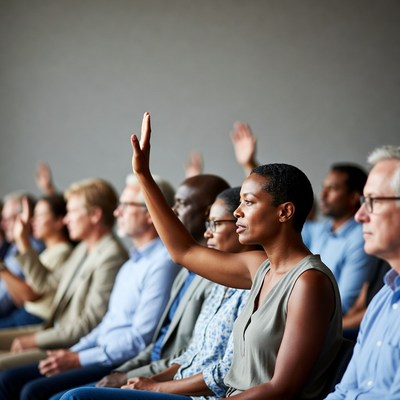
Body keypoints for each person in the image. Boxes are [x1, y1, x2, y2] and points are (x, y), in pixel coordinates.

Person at [61, 112, 342, 400]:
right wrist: (143, 176)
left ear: (284, 212)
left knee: (78, 398)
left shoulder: (309, 282)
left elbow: (283, 388)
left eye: (249, 202)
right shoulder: (261, 268)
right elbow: (184, 251)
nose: (237, 212)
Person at [54, 187, 260, 400]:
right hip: (168, 376)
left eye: (215, 224)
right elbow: (190, 354)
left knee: (75, 397)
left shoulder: (253, 286)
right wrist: (150, 382)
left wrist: (155, 387)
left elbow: (226, 372)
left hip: (197, 395)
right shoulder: (218, 283)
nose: (208, 232)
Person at [0, 174, 181, 400]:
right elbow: (105, 323)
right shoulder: (129, 262)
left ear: (150, 213)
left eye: (126, 205)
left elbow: (138, 338)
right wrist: (76, 352)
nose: (118, 213)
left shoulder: (156, 262)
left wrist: (77, 357)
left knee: (25, 387)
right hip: (91, 348)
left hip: (117, 359)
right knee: (18, 383)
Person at [94, 174, 229, 388]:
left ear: (208, 213)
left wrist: (137, 378)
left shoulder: (215, 276)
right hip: (148, 368)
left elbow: (188, 353)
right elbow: (159, 341)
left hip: (170, 377)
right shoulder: (186, 270)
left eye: (181, 204)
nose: (173, 211)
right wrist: (124, 371)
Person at [229, 123, 378, 315]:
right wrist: (249, 165)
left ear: (353, 197)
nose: (323, 194)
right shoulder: (321, 229)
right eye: (324, 187)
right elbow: (277, 217)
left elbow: (340, 307)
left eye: (333, 188)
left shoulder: (361, 237)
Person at [0, 178, 128, 370]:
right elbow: (45, 284)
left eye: (72, 212)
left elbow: (89, 324)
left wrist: (35, 340)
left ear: (95, 215)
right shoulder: (83, 249)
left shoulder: (111, 256)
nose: (66, 219)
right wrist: (22, 240)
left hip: (71, 344)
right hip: (56, 330)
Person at [325, 145, 400, 399]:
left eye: (373, 202)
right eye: (362, 202)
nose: (359, 216)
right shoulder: (382, 299)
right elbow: (344, 390)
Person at [0, 194, 73, 328]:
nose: (33, 221)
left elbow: (30, 294)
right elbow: (20, 298)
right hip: (26, 313)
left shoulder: (63, 252)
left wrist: (21, 238)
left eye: (40, 216)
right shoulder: (49, 251)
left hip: (37, 317)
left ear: (59, 221)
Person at [0, 192, 44, 317]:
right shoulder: (13, 246)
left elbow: (15, 299)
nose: (3, 224)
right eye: (3, 218)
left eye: (10, 218)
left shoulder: (32, 247)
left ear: (27, 216)